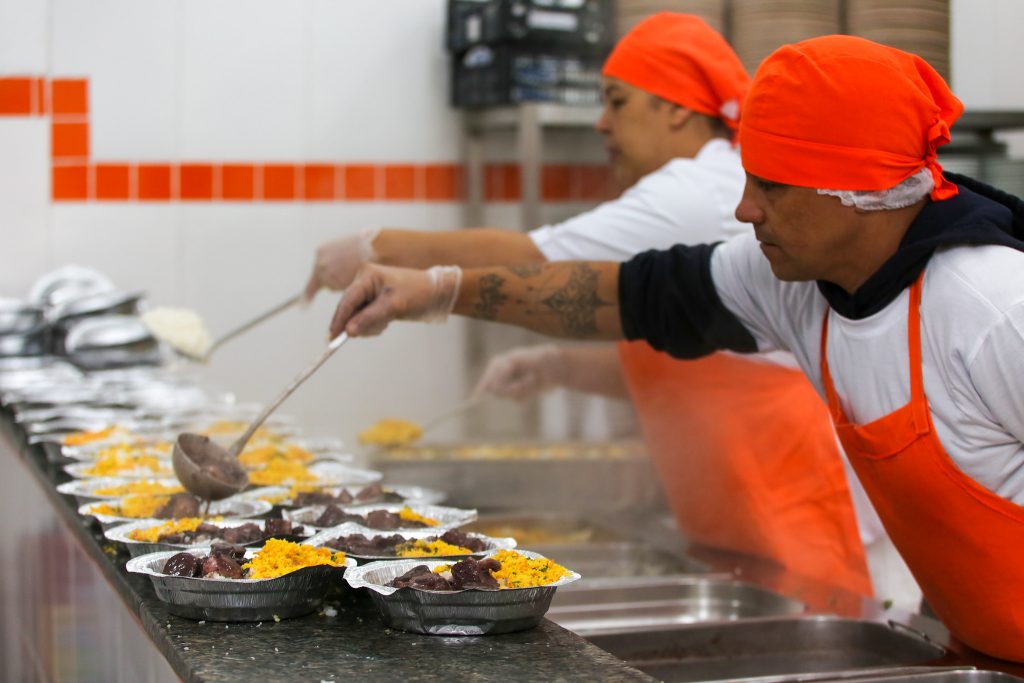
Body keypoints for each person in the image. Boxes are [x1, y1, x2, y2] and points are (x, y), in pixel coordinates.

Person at [326, 35, 1024, 661]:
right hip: (979, 641)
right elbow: (626, 294)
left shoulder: (994, 307)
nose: (746, 209)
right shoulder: (789, 281)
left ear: (857, 187)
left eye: (771, 185)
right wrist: (441, 291)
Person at [308, 14, 878, 598]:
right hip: (742, 512)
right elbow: (703, 367)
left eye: (618, 102)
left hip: (797, 513)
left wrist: (385, 252)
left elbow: (536, 262)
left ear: (676, 108)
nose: (602, 123)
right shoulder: (697, 183)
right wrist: (563, 367)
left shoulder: (694, 190)